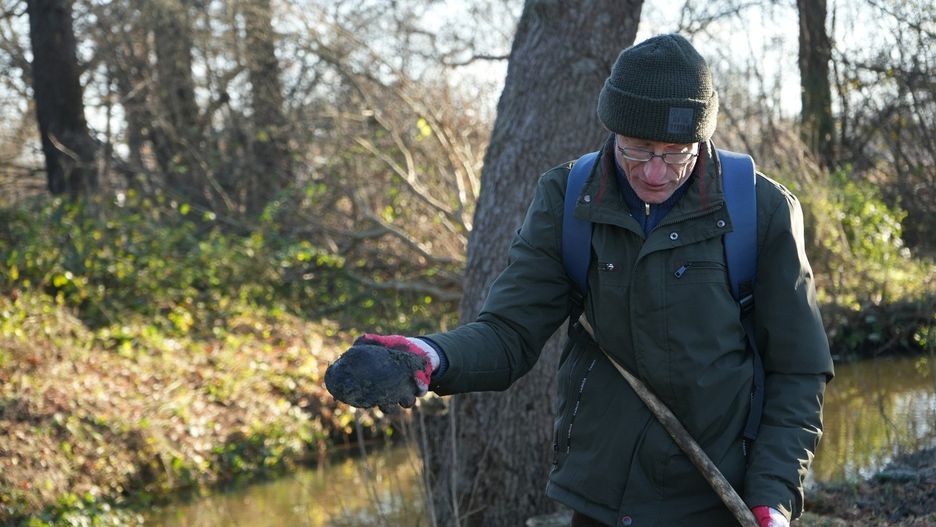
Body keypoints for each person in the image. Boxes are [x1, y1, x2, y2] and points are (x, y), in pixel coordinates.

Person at [325, 33, 834, 527]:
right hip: (602, 498)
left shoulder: (761, 211)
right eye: (637, 149)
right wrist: (429, 356)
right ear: (613, 130)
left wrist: (772, 495)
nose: (656, 172)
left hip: (720, 497)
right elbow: (508, 334)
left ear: (702, 139)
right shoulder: (567, 200)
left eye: (677, 152)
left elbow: (798, 369)